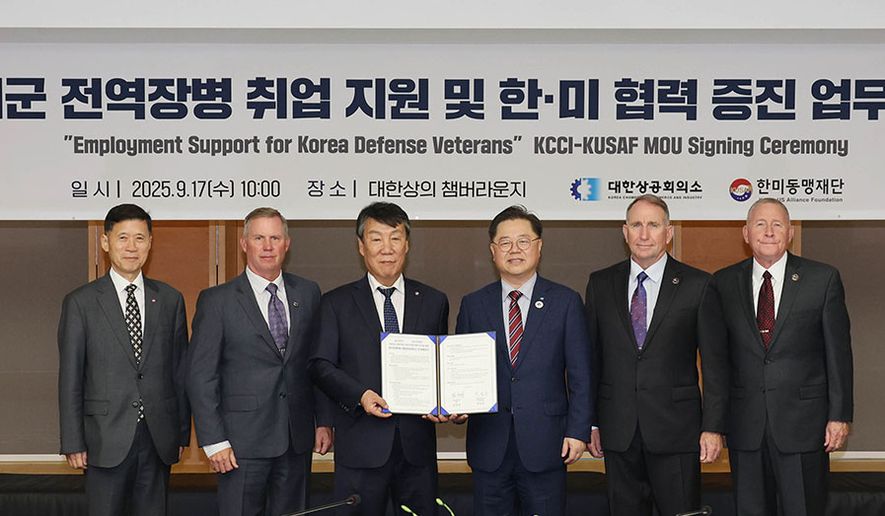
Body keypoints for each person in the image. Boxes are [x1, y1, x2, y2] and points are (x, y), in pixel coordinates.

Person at [584, 194, 728, 516]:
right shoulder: (600, 283)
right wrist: (590, 422)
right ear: (625, 232)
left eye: (653, 225)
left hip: (677, 431)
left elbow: (716, 364)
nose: (644, 234)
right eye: (636, 225)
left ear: (669, 232)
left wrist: (713, 427)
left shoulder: (698, 285)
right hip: (617, 430)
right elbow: (591, 359)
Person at [186, 207, 332, 516]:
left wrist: (323, 421)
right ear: (244, 244)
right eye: (259, 238)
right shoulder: (217, 301)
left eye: (275, 238)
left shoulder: (308, 293)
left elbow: (315, 364)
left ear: (287, 244)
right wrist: (214, 441)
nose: (267, 246)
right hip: (240, 445)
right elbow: (200, 376)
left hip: (295, 439)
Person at [309, 202, 450, 515]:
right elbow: (320, 366)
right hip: (360, 447)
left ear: (407, 245)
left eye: (395, 238)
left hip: (417, 450)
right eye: (376, 239)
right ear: (361, 246)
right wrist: (360, 395)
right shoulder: (336, 303)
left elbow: (441, 366)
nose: (387, 248)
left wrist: (444, 401)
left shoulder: (434, 301)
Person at [715, 198, 853, 516]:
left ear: (790, 233)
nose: (769, 231)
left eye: (777, 224)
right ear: (746, 233)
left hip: (804, 426)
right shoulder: (722, 283)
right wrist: (715, 423)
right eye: (760, 224)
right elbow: (717, 361)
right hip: (745, 427)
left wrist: (839, 415)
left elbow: (839, 354)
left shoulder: (822, 279)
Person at [456, 205, 592, 515]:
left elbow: (581, 374)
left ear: (539, 247)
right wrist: (457, 405)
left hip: (547, 445)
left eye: (523, 241)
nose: (514, 250)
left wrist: (578, 431)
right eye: (505, 242)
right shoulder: (474, 305)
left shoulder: (565, 302)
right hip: (489, 446)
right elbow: (461, 370)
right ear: (493, 251)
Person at [58, 203, 190, 516]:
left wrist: (181, 432)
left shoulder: (170, 299)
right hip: (103, 439)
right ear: (105, 242)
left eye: (140, 238)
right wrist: (73, 441)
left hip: (158, 438)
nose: (132, 247)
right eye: (123, 238)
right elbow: (71, 377)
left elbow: (180, 371)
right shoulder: (81, 303)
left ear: (150, 243)